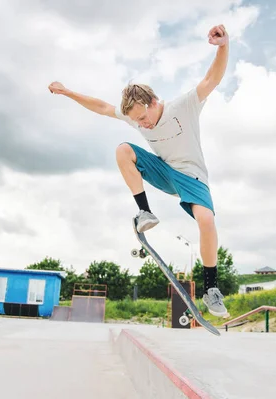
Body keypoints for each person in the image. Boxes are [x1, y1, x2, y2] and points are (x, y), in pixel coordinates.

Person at [48, 24, 229, 317]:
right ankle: (144, 211)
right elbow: (102, 106)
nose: (142, 124)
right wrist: (67, 92)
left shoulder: (182, 106)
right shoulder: (134, 116)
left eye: (144, 118)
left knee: (206, 221)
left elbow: (212, 78)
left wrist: (223, 45)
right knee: (123, 150)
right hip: (162, 171)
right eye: (137, 121)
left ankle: (211, 289)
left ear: (155, 102)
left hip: (192, 176)